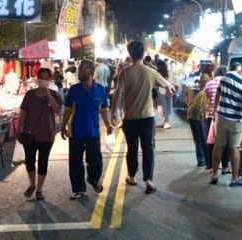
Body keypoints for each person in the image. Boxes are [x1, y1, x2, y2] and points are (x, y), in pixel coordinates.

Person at [112, 41, 171, 194]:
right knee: (148, 148)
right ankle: (148, 180)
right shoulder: (151, 71)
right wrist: (170, 92)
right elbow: (168, 86)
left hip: (130, 118)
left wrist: (113, 113)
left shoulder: (125, 73)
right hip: (147, 118)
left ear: (130, 54)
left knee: (131, 148)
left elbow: (118, 94)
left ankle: (132, 177)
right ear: (143, 53)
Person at [61, 59, 112, 198]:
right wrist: (63, 126)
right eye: (79, 69)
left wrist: (108, 125)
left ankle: (93, 179)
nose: (80, 71)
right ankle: (79, 189)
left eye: (83, 69)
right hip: (75, 132)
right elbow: (67, 110)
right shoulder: (73, 90)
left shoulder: (100, 90)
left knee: (95, 160)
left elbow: (104, 110)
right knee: (75, 162)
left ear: (91, 71)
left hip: (93, 132)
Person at [208, 57, 242, 187]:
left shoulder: (227, 75)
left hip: (220, 116)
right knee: (235, 148)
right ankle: (234, 178)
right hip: (235, 119)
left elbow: (218, 93)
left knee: (218, 145)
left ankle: (214, 174)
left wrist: (215, 110)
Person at [18, 67, 62, 201]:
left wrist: (48, 94)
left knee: (43, 161)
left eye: (46, 78)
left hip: (46, 134)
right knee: (30, 161)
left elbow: (57, 110)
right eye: (41, 78)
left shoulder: (54, 94)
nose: (43, 80)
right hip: (29, 133)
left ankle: (39, 189)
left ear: (50, 80)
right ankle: (32, 183)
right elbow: (23, 112)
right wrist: (19, 129)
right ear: (37, 79)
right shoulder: (30, 95)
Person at [203, 66, 229, 173]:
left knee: (212, 142)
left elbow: (204, 101)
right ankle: (225, 166)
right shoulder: (227, 84)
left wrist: (204, 115)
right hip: (224, 116)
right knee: (225, 143)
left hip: (211, 116)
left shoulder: (209, 84)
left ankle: (212, 166)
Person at [186, 72, 211, 167]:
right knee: (203, 139)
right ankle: (206, 161)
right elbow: (204, 107)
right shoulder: (205, 92)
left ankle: (201, 160)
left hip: (191, 116)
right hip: (197, 116)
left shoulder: (201, 92)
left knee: (198, 139)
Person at [155, 58, 173, 129]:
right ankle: (166, 121)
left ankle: (166, 121)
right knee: (166, 106)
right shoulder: (168, 73)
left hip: (164, 92)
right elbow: (170, 83)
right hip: (165, 92)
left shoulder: (159, 73)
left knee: (165, 107)